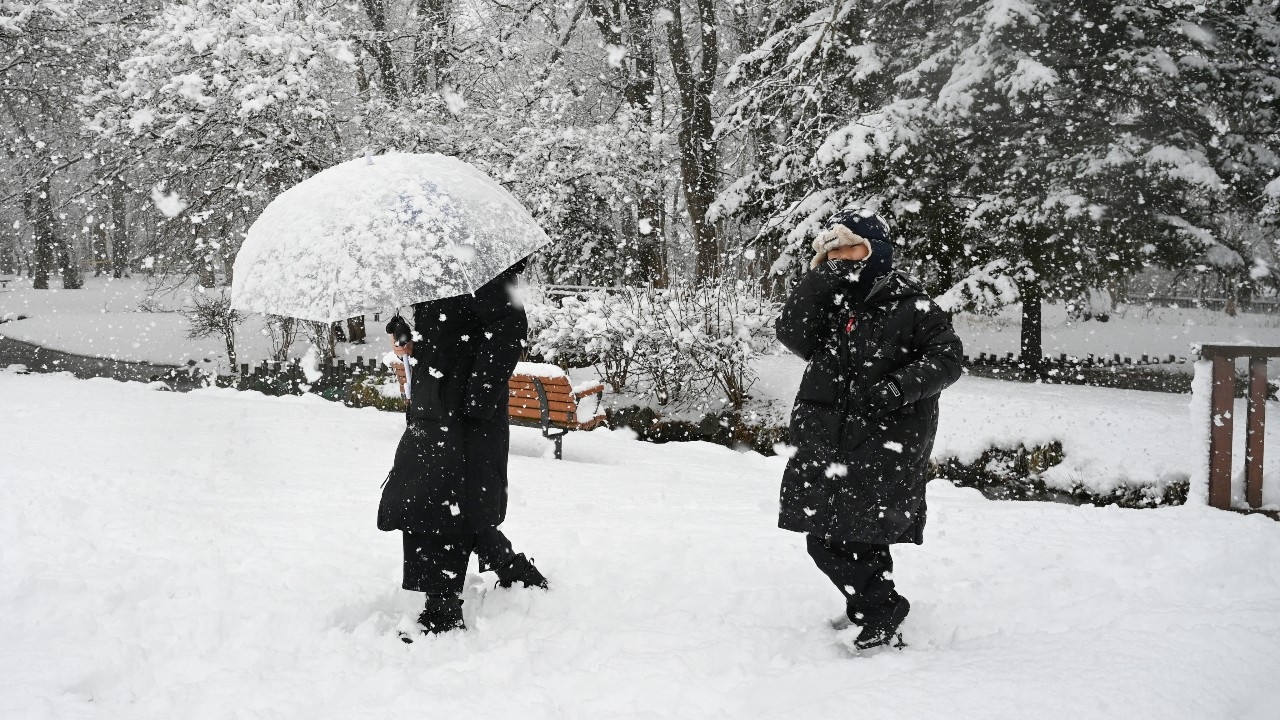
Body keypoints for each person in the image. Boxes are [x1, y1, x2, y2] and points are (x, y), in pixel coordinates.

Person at [775, 209, 963, 652]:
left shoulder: (913, 305)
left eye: (851, 247)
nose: (841, 258)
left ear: (876, 251)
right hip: (827, 435)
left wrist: (897, 387)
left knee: (846, 535)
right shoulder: (834, 302)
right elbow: (792, 334)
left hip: (883, 437)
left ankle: (882, 609)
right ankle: (870, 603)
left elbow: (947, 360)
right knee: (838, 533)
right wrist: (819, 280)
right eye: (832, 250)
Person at [378, 260, 548, 640]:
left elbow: (508, 331)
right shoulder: (433, 270)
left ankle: (441, 610)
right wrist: (408, 331)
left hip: (465, 415)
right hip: (433, 405)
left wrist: (476, 401)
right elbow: (447, 328)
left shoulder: (482, 269)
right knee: (444, 498)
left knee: (442, 501)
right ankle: (513, 570)